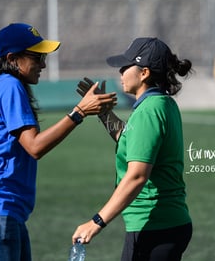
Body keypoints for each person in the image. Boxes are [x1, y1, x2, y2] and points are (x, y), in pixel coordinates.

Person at [0, 22, 117, 261]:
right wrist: (79, 112)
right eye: (37, 57)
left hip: (2, 210)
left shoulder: (4, 85)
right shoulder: (9, 85)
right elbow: (34, 146)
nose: (43, 64)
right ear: (13, 58)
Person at [72, 37, 193, 261]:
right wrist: (104, 113)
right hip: (165, 223)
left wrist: (96, 222)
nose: (120, 71)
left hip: (155, 226)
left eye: (126, 66)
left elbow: (137, 176)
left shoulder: (149, 111)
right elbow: (130, 138)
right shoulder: (160, 104)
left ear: (144, 73)